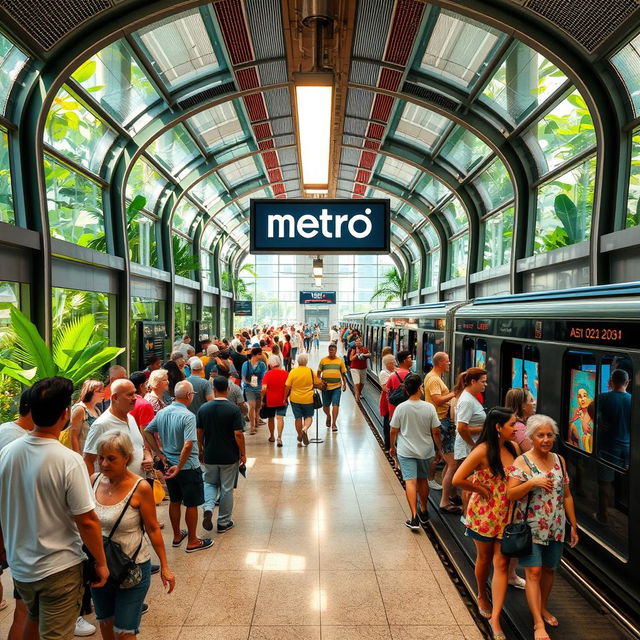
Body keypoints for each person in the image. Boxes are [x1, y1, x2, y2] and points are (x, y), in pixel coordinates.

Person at [0, 377, 108, 640]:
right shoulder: (68, 461)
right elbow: (87, 520)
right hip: (59, 567)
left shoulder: (8, 453)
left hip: (22, 566)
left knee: (30, 621)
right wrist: (101, 563)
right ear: (65, 414)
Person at [90, 430, 175, 638]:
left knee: (125, 631)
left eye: (111, 459)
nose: (104, 464)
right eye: (101, 458)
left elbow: (153, 528)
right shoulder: (93, 480)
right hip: (100, 568)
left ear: (126, 458)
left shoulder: (140, 488)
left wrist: (164, 566)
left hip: (132, 568)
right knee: (106, 623)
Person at [507, 415, 579, 640]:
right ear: (531, 437)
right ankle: (538, 623)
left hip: (555, 526)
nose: (546, 439)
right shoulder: (522, 462)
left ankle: (543, 606)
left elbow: (566, 495)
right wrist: (531, 482)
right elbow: (511, 494)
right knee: (534, 571)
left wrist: (573, 526)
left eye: (550, 435)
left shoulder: (559, 460)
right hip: (530, 526)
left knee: (549, 569)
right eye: (541, 435)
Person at [453, 407, 519, 640]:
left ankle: (496, 617)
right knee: (484, 558)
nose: (516, 428)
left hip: (508, 515)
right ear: (498, 427)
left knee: (501, 563)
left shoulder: (513, 448)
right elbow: (457, 479)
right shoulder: (482, 451)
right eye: (512, 424)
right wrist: (480, 488)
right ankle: (482, 593)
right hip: (484, 514)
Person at [143, 380, 212, 553]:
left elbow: (147, 431)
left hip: (168, 464)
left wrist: (160, 454)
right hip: (187, 466)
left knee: (175, 500)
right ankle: (193, 541)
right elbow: (188, 444)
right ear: (189, 396)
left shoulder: (163, 412)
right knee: (191, 503)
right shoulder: (188, 416)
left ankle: (176, 535)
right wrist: (180, 466)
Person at [0, 389, 34, 640]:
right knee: (24, 609)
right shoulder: (21, 442)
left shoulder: (4, 429)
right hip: (14, 528)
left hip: (9, 527)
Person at [389, 373, 441, 530]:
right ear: (420, 388)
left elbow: (393, 430)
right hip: (425, 451)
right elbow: (436, 432)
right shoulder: (429, 407)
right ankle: (424, 511)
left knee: (410, 482)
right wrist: (439, 449)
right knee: (422, 480)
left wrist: (392, 447)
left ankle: (413, 517)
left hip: (406, 451)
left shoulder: (401, 408)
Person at [197, 376, 246, 533]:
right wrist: (243, 454)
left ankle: (209, 507)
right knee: (226, 488)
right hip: (229, 455)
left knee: (210, 483)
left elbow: (199, 431)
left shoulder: (203, 409)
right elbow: (238, 433)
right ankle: (224, 522)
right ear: (228, 389)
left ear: (214, 389)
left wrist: (200, 449)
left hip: (210, 454)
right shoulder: (233, 409)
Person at [84, 379, 153, 478]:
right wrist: (93, 489)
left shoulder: (131, 418)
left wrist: (148, 457)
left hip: (136, 486)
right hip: (112, 491)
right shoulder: (101, 425)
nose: (134, 398)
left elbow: (140, 446)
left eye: (134, 393)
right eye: (129, 395)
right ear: (115, 397)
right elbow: (88, 460)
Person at [424, 352, 459, 514]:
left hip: (442, 421)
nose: (450, 363)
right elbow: (438, 400)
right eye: (447, 361)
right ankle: (445, 501)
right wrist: (455, 394)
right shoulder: (433, 379)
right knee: (452, 463)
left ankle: (450, 494)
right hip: (441, 422)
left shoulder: (434, 378)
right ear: (439, 363)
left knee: (448, 461)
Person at [284, 353, 324, 446]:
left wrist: (285, 397)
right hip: (308, 399)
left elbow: (287, 386)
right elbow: (319, 383)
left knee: (298, 418)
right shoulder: (310, 371)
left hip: (295, 398)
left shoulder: (293, 372)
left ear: (298, 361)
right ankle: (305, 429)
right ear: (306, 362)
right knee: (308, 416)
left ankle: (299, 435)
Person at [62, 379, 105, 455]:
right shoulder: (80, 409)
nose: (102, 393)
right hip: (82, 456)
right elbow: (73, 436)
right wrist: (78, 458)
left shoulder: (97, 410)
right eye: (99, 391)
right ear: (89, 392)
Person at [317, 342, 347, 432]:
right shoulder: (323, 360)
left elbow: (343, 373)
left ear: (336, 351)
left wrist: (344, 384)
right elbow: (318, 373)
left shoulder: (339, 361)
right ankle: (328, 416)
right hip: (325, 387)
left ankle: (334, 424)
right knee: (325, 406)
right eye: (330, 350)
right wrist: (319, 383)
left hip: (337, 387)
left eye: (333, 350)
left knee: (335, 404)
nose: (331, 352)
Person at [261, 355, 289, 445]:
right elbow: (289, 387)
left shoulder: (267, 374)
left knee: (271, 418)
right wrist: (287, 397)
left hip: (270, 400)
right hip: (282, 399)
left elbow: (264, 388)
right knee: (280, 418)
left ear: (270, 364)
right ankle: (279, 437)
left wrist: (262, 399)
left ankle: (272, 436)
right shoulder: (286, 373)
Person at [241, 347, 267, 435]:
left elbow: (264, 377)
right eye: (260, 354)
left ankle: (256, 420)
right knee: (252, 406)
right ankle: (252, 426)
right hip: (249, 388)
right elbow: (243, 378)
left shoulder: (262, 365)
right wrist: (250, 383)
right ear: (255, 355)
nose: (262, 355)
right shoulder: (246, 364)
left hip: (259, 388)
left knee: (258, 407)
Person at [504, 387, 536, 453]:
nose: (534, 403)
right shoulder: (519, 427)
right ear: (523, 405)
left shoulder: (516, 423)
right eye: (531, 400)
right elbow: (532, 452)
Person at [378, 353, 397, 451]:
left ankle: (393, 443)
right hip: (387, 400)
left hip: (395, 400)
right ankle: (388, 444)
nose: (395, 364)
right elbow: (385, 388)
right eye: (393, 362)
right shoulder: (383, 373)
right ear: (388, 364)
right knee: (387, 421)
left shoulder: (395, 371)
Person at [568, 386, 594, 452]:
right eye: (579, 397)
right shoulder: (574, 424)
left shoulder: (596, 420)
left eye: (585, 396)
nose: (582, 399)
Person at [349, 337, 371, 402]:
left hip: (363, 368)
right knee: (357, 382)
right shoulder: (353, 349)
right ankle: (357, 396)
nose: (358, 343)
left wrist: (363, 355)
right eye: (357, 341)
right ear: (355, 343)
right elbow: (351, 359)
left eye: (359, 341)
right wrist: (356, 355)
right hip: (354, 368)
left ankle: (358, 392)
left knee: (362, 383)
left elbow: (369, 355)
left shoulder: (365, 349)